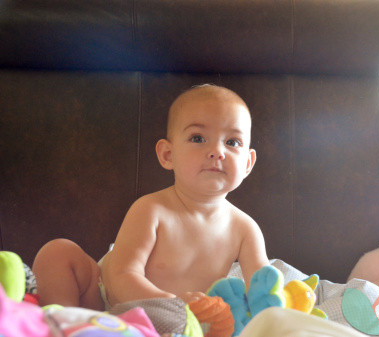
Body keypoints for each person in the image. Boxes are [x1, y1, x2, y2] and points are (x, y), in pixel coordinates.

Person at [32, 84, 269, 311]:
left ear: (247, 163)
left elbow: (265, 289)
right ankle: (64, 320)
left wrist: (285, 301)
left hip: (184, 321)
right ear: (168, 155)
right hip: (106, 301)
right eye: (198, 138)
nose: (218, 151)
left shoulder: (245, 229)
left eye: (232, 142)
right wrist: (172, 304)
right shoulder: (151, 209)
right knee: (57, 252)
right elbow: (122, 275)